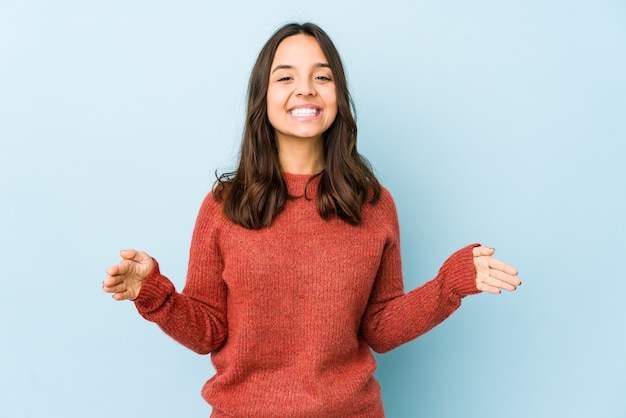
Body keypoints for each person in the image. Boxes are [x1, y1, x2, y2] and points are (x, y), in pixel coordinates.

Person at [102, 22, 520, 417]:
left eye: (322, 77)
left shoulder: (373, 204)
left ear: (338, 95)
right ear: (262, 98)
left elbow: (380, 327)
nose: (305, 90)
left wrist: (449, 285)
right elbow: (208, 330)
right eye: (285, 78)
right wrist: (151, 293)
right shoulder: (224, 205)